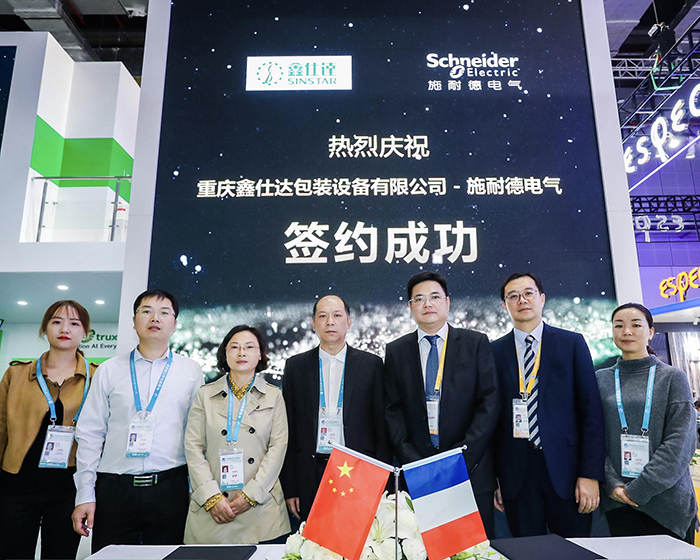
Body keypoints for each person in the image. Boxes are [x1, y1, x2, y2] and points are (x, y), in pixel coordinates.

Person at [72, 289, 203, 551]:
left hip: (170, 488)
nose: (155, 318)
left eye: (164, 312)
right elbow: (90, 433)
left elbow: (196, 435)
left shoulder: (190, 371)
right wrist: (85, 493)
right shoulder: (109, 370)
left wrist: (194, 489)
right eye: (146, 311)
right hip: (114, 488)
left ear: (174, 324)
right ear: (134, 321)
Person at [384, 271, 499, 538]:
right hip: (419, 474)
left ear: (447, 302)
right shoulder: (397, 350)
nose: (428, 304)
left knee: (475, 550)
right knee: (425, 547)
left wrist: (460, 458)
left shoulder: (475, 343)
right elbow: (392, 410)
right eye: (419, 299)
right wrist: (415, 462)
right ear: (410, 306)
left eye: (435, 297)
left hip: (470, 470)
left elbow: (489, 403)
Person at [491, 272, 605, 538]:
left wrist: (590, 475)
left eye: (528, 293)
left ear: (542, 298)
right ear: (505, 305)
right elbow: (492, 419)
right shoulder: (493, 351)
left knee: (573, 551)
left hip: (568, 473)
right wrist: (495, 477)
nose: (522, 300)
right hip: (516, 476)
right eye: (513, 296)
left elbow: (591, 412)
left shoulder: (571, 343)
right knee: (527, 551)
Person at [0, 300, 97, 560]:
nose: (65, 329)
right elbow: (0, 427)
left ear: (85, 332)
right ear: (45, 328)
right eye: (56, 322)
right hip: (16, 484)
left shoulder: (97, 377)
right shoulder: (16, 374)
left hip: (68, 488)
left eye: (74, 323)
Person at [281, 295, 390, 522]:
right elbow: (288, 429)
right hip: (311, 472)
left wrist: (381, 481)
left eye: (337, 315)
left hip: (359, 471)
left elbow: (381, 428)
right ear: (314, 323)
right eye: (323, 316)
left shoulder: (370, 365)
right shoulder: (296, 366)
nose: (330, 321)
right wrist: (290, 487)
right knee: (314, 539)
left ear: (348, 322)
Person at [595, 303, 698, 543]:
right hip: (618, 501)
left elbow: (680, 443)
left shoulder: (672, 377)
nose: (626, 331)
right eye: (619, 326)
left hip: (667, 501)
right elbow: (594, 439)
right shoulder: (600, 379)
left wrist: (639, 489)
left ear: (650, 332)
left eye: (635, 325)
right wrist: (613, 485)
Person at [184, 325, 290, 544]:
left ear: (260, 355)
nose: (242, 352)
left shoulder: (274, 396)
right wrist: (211, 497)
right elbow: (193, 448)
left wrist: (251, 495)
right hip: (213, 508)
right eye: (234, 347)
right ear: (225, 353)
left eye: (249, 347)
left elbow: (278, 447)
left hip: (260, 509)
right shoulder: (205, 395)